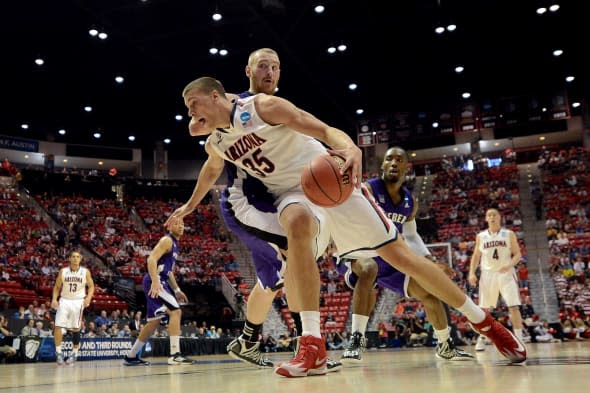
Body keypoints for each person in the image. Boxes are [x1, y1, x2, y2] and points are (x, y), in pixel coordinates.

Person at [169, 76, 526, 377]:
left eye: (193, 103)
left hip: (328, 178)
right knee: (295, 225)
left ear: (215, 96)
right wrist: (187, 206)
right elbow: (212, 169)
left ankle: (485, 323)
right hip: (293, 196)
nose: (190, 113)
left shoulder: (262, 107)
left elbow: (323, 129)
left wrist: (350, 148)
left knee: (403, 257)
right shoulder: (217, 140)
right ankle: (312, 345)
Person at [218, 48, 342, 371]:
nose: (270, 73)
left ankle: (250, 340)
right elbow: (212, 160)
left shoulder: (277, 107)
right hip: (245, 203)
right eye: (263, 66)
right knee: (288, 263)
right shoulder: (236, 108)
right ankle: (309, 346)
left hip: (269, 201)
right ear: (247, 70)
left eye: (275, 67)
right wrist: (190, 205)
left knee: (277, 276)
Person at [338, 146, 473, 362]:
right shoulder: (368, 189)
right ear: (382, 165)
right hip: (360, 250)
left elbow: (411, 237)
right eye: (389, 159)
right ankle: (356, 339)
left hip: (391, 257)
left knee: (429, 291)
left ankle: (445, 345)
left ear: (406, 166)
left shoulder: (411, 202)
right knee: (369, 268)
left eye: (399, 159)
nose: (393, 163)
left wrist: (430, 261)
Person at [123, 217, 195, 366]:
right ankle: (175, 354)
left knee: (153, 323)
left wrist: (177, 289)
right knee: (176, 311)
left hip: (159, 280)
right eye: (176, 223)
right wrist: (155, 281)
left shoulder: (175, 244)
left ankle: (131, 356)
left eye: (182, 224)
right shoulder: (167, 240)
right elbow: (151, 259)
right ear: (169, 226)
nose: (181, 226)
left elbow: (168, 272)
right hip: (155, 281)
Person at [468, 208, 526, 352]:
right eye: (489, 215)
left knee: (513, 306)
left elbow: (518, 254)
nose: (492, 217)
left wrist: (509, 265)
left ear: (500, 217)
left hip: (506, 273)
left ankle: (519, 339)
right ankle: (481, 339)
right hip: (487, 274)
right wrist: (471, 273)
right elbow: (476, 256)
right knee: (484, 310)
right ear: (486, 218)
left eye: (494, 215)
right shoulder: (481, 236)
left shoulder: (508, 234)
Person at [51, 250, 95, 365]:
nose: (75, 258)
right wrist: (54, 299)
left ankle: (74, 352)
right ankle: (59, 353)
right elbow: (56, 286)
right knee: (58, 326)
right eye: (73, 257)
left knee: (76, 328)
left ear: (80, 259)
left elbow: (91, 286)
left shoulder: (85, 272)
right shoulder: (63, 271)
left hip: (78, 301)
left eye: (77, 257)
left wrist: (88, 298)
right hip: (64, 300)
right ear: (69, 259)